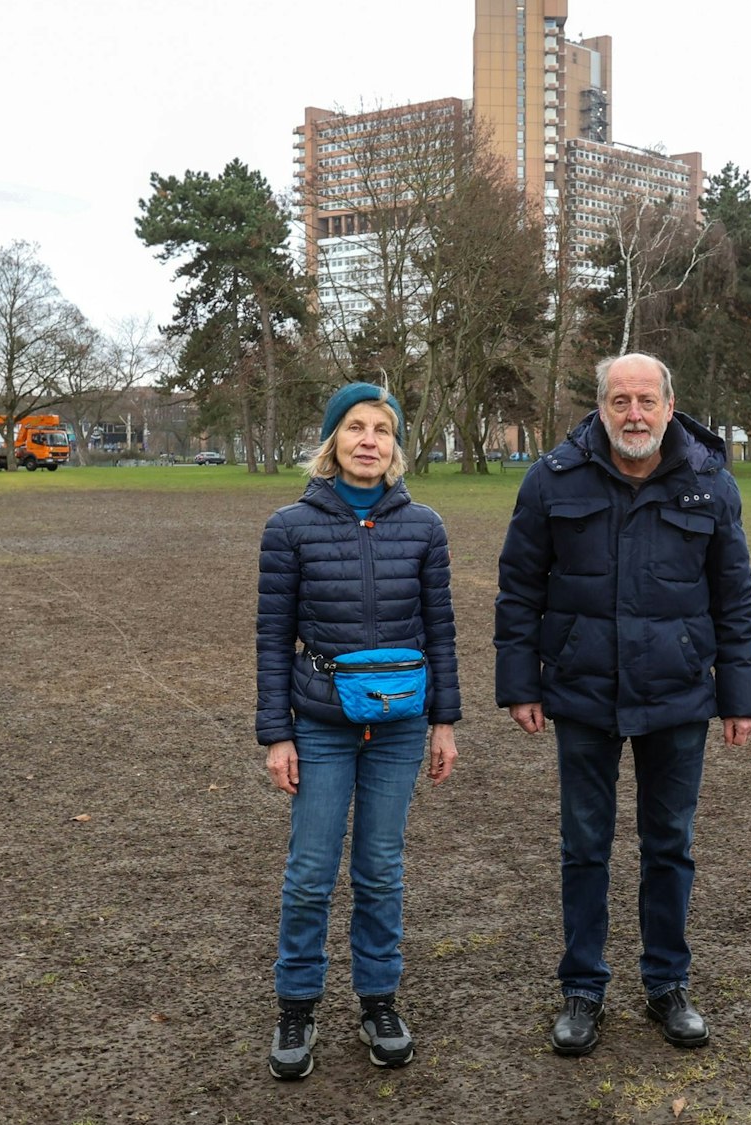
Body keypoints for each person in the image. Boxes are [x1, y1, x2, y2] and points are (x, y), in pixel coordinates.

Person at [495, 352, 751, 1057]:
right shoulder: (551, 480)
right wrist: (521, 682)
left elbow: (734, 599)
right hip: (583, 692)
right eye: (621, 401)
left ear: (671, 407)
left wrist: (741, 695)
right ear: (600, 407)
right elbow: (519, 589)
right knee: (584, 846)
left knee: (668, 846)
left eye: (647, 400)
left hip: (678, 695)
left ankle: (667, 983)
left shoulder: (710, 484)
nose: (634, 413)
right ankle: (582, 989)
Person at [255, 382, 461, 1081]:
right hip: (318, 723)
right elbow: (271, 637)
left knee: (380, 869)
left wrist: (446, 722)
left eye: (382, 429)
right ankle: (297, 1004)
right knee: (310, 872)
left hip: (401, 725)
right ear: (332, 441)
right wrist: (275, 734)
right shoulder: (289, 527)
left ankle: (379, 999)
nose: (369, 439)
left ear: (395, 445)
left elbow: (442, 631)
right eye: (355, 427)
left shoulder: (425, 526)